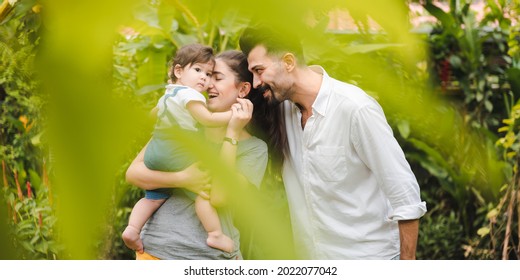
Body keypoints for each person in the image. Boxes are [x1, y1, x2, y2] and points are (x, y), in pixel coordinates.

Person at [239, 24, 428, 260]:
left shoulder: (356, 108)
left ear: (288, 62)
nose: (256, 82)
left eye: (259, 70)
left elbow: (405, 195)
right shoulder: (282, 110)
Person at [125, 50, 269, 260]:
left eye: (217, 77)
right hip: (155, 252)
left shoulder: (254, 149)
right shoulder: (181, 123)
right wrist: (182, 178)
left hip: (209, 258)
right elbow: (133, 173)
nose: (208, 82)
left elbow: (220, 196)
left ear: (243, 89)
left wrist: (232, 132)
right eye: (206, 75)